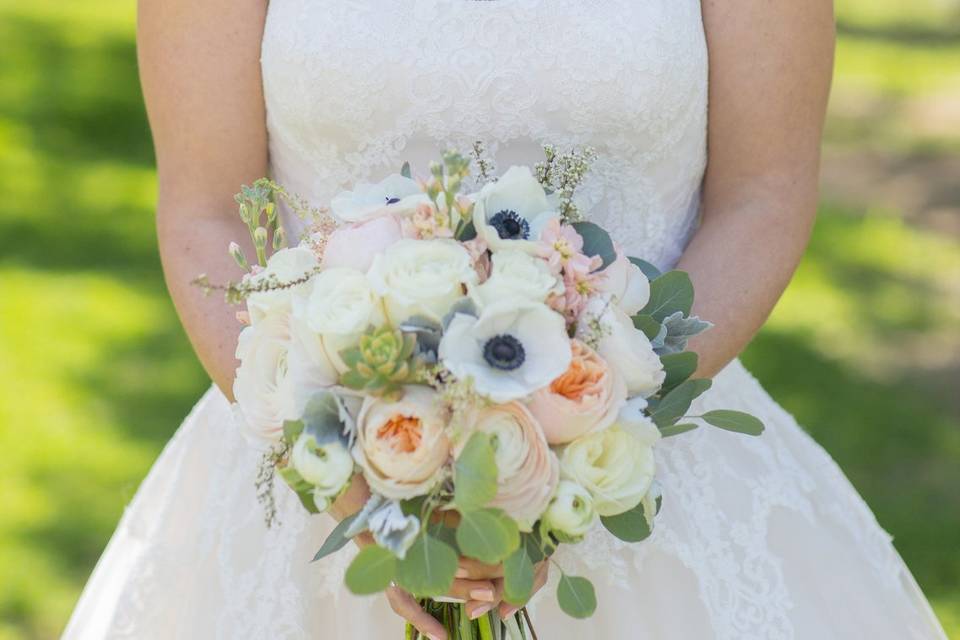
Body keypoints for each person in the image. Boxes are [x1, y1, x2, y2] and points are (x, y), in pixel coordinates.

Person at [63, 1, 948, 638]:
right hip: (323, 486)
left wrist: (587, 431)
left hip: (644, 461)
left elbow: (762, 194)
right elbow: (205, 214)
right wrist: (367, 486)